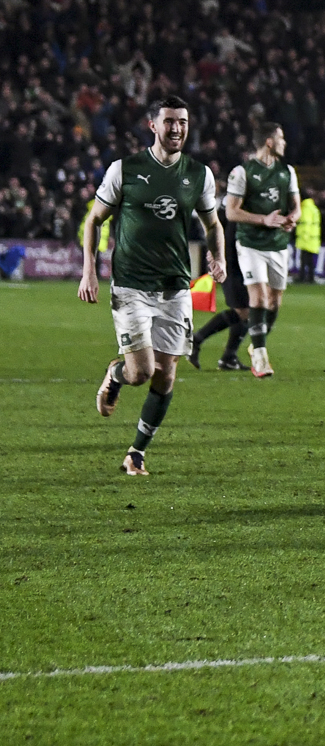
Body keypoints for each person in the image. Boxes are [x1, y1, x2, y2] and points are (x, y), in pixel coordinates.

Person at [78, 96, 228, 476]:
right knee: (142, 371)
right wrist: (89, 271)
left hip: (175, 286)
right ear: (153, 126)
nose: (177, 128)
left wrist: (219, 257)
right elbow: (95, 220)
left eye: (183, 122)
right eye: (170, 122)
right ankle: (117, 375)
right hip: (130, 284)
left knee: (167, 373)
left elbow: (212, 224)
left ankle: (136, 452)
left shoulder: (199, 174)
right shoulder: (125, 170)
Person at [222, 121, 299, 378]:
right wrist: (262, 219)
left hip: (277, 244)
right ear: (269, 141)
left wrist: (292, 219)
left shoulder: (287, 171)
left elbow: (295, 206)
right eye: (281, 138)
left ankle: (256, 346)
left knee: (275, 300)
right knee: (260, 298)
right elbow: (231, 212)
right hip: (250, 243)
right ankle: (261, 355)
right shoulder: (242, 172)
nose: (284, 142)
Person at [189, 195, 252, 370]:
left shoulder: (230, 209)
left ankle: (228, 357)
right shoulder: (232, 212)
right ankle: (198, 341)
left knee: (246, 310)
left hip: (239, 264)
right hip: (231, 265)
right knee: (244, 311)